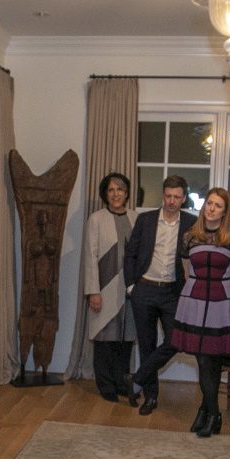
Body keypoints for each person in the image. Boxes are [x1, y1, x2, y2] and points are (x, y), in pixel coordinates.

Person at [124, 175, 197, 414]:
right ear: (163, 195)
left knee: (176, 340)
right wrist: (131, 286)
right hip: (144, 289)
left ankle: (137, 378)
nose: (171, 201)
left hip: (173, 293)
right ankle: (151, 397)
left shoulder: (192, 223)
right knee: (146, 345)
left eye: (177, 197)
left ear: (184, 198)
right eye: (168, 196)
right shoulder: (145, 220)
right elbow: (130, 253)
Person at [170, 188, 230, 437]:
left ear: (225, 212)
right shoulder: (190, 236)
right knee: (201, 359)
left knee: (212, 360)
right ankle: (210, 411)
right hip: (195, 300)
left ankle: (209, 412)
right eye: (209, 203)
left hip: (221, 304)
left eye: (218, 205)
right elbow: (186, 269)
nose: (211, 208)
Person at [82, 172, 137, 403]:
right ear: (105, 194)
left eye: (120, 189)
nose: (116, 194)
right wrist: (93, 291)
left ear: (127, 193)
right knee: (105, 339)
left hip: (130, 291)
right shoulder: (96, 219)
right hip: (103, 290)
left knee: (125, 340)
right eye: (111, 190)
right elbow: (90, 257)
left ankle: (122, 383)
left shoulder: (136, 218)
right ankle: (106, 386)